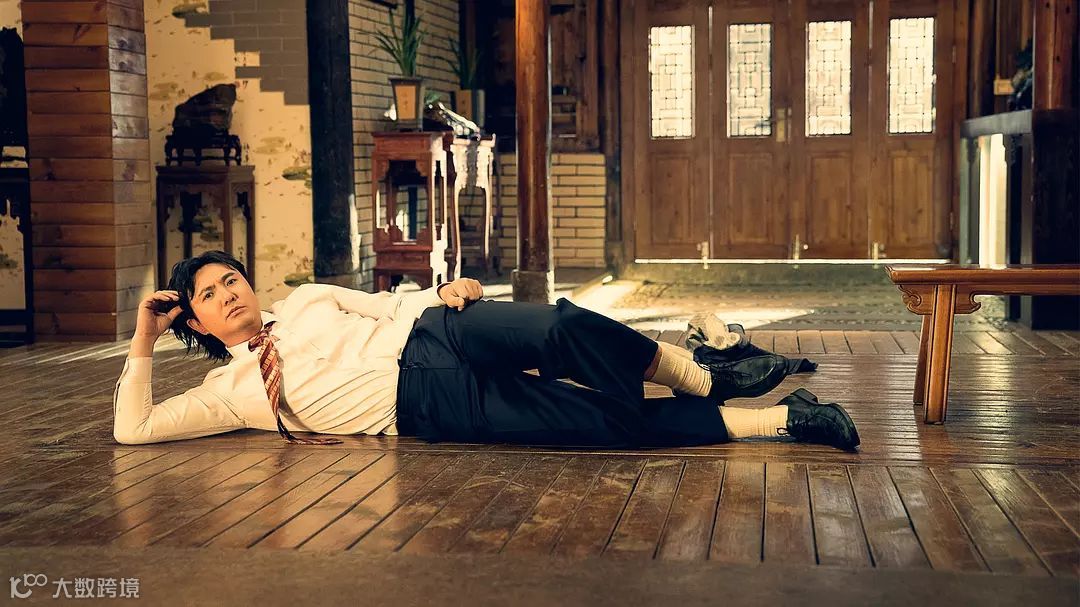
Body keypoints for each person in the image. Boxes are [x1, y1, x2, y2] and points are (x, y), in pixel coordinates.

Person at [113, 250, 859, 451]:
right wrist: (143, 338)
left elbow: (391, 305)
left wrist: (446, 291)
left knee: (560, 327)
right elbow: (133, 428)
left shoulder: (307, 297)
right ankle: (789, 419)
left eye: (232, 279)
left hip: (437, 331)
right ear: (197, 322)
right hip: (427, 404)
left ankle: (701, 374)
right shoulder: (230, 395)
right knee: (600, 424)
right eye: (209, 294)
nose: (228, 293)